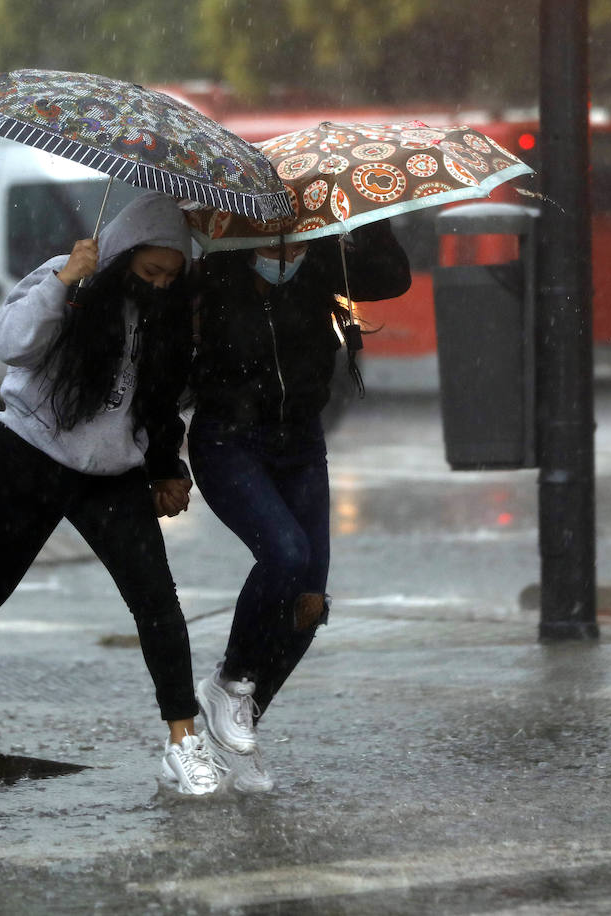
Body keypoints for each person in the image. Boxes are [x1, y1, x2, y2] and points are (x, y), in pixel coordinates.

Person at [0, 192, 223, 795]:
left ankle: (183, 740)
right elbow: (10, 343)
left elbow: (160, 404)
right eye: (149, 272)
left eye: (171, 275)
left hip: (110, 476)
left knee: (157, 602)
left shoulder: (169, 317)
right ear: (122, 256)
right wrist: (63, 282)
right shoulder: (73, 279)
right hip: (30, 457)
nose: (160, 286)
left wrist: (167, 467)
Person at [188, 222, 410, 791]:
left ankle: (236, 731)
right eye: (267, 240)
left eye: (293, 239)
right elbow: (167, 369)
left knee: (308, 602)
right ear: (240, 234)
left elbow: (392, 276)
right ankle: (230, 682)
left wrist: (365, 214)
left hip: (301, 441)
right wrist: (162, 461)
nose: (280, 253)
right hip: (228, 440)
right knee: (286, 555)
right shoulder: (212, 277)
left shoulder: (322, 267)